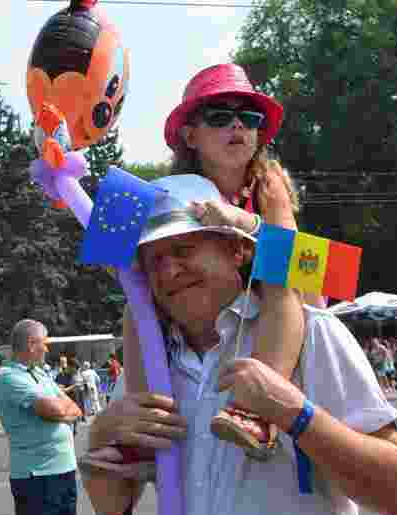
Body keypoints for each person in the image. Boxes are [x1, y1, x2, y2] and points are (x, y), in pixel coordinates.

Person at [82, 174, 397, 515]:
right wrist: (101, 435)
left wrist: (297, 415)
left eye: (183, 248)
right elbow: (111, 506)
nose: (169, 270)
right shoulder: (148, 365)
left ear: (236, 250)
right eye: (153, 261)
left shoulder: (312, 333)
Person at [113, 62, 307, 459]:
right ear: (190, 135)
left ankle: (255, 413)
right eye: (219, 118)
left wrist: (246, 222)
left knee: (277, 274)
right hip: (204, 314)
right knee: (136, 304)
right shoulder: (168, 193)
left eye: (248, 118)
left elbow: (301, 260)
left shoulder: (270, 182)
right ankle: (147, 424)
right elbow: (120, 262)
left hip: (279, 300)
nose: (237, 127)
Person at [0, 319, 89, 515]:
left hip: (62, 470)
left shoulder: (40, 374)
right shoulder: (8, 377)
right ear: (30, 344)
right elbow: (55, 408)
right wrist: (62, 410)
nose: (47, 349)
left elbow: (75, 408)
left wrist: (62, 410)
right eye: (44, 343)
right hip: (36, 476)